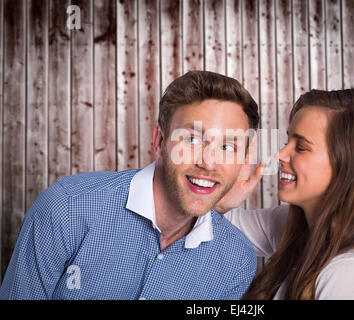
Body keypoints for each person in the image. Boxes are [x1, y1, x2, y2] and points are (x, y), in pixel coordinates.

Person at [0, 70, 259, 300]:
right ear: (159, 141)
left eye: (227, 147)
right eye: (191, 140)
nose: (209, 163)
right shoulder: (66, 208)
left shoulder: (236, 261)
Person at [215, 89, 354, 300]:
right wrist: (222, 203)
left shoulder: (351, 274)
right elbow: (208, 230)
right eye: (287, 142)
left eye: (301, 147)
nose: (280, 154)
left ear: (349, 166)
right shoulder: (293, 225)